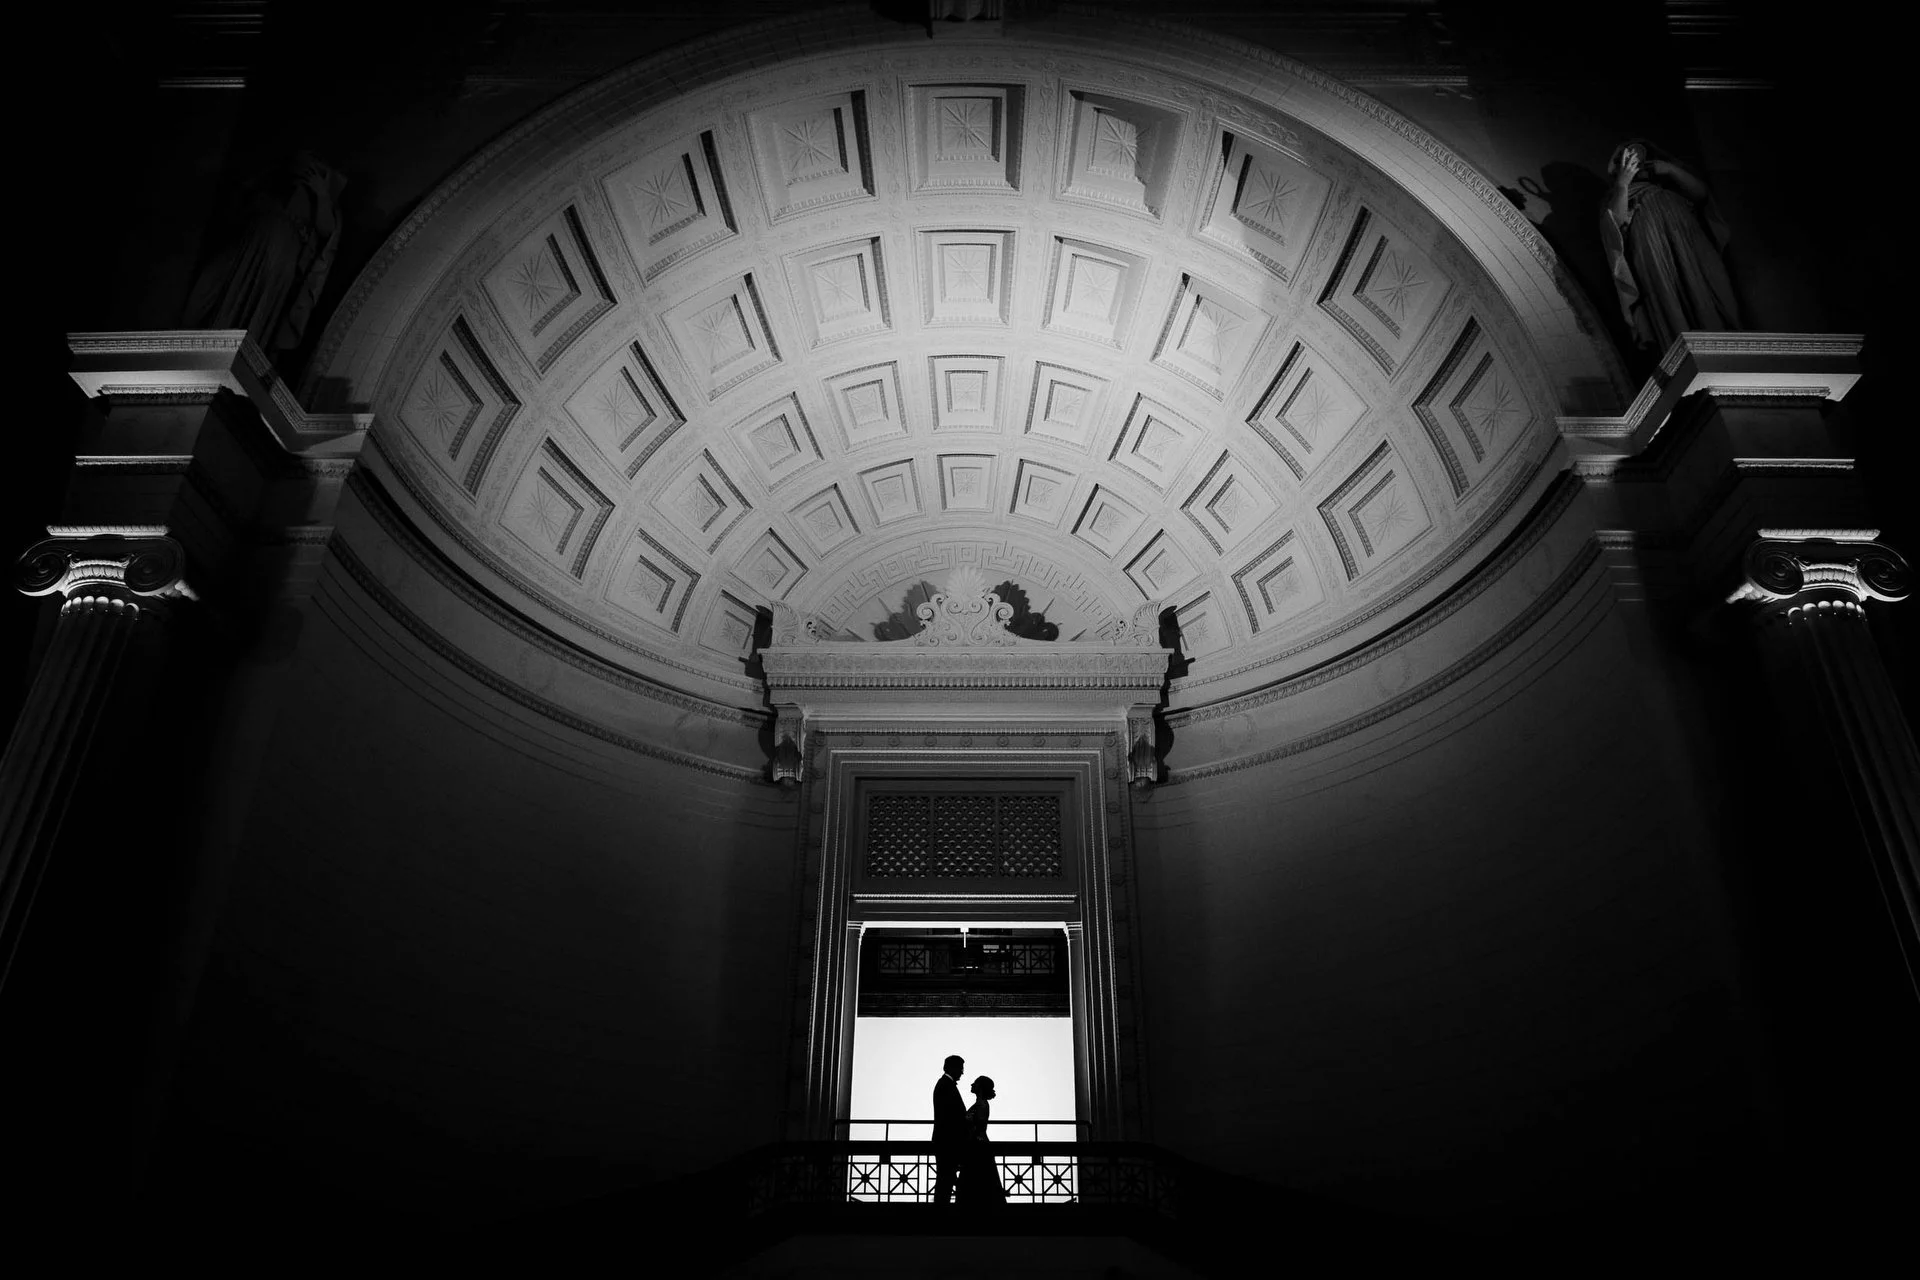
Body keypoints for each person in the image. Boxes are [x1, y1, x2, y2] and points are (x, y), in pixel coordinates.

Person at [1600, 138, 1742, 356]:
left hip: (1692, 246)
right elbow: (1614, 224)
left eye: (1639, 157)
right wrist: (1622, 183)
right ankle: (1683, 356)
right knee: (1668, 298)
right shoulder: (1620, 193)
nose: (1634, 163)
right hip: (1653, 250)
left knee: (1710, 288)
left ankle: (1725, 348)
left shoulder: (1670, 189)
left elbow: (1702, 194)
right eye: (1627, 158)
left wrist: (1671, 170)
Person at [961, 1075, 1007, 1206]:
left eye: (975, 1083)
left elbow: (979, 1126)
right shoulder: (981, 1104)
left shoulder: (981, 1104)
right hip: (979, 1145)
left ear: (980, 1087)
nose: (972, 1085)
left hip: (978, 1147)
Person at [931, 1054, 969, 1204]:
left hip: (945, 1141)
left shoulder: (944, 1084)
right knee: (945, 1179)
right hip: (947, 1142)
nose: (962, 1072)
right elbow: (950, 1117)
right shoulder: (946, 1086)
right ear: (952, 1068)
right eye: (960, 1068)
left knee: (944, 1179)